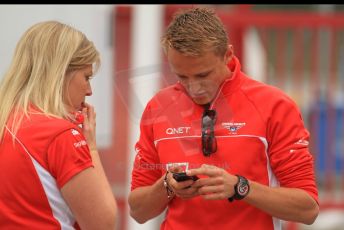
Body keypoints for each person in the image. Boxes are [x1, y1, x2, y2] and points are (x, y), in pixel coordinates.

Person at [128, 7, 319, 230]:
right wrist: (167, 186)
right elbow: (138, 211)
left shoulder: (274, 106)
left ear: (228, 55)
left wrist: (240, 187)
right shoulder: (159, 107)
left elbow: (308, 209)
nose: (194, 88)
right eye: (182, 77)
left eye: (203, 75)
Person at [0, 21, 117, 229]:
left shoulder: (7, 121)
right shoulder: (59, 134)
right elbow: (103, 224)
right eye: (86, 77)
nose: (89, 91)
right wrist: (90, 147)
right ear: (61, 73)